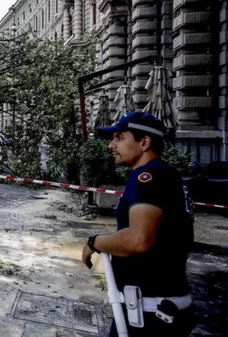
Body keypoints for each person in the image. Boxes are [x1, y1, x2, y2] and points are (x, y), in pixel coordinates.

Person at [82, 111, 195, 336]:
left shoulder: (148, 176)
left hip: (150, 314)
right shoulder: (165, 175)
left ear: (144, 142)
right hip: (157, 307)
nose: (111, 145)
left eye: (120, 137)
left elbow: (138, 239)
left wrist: (95, 243)